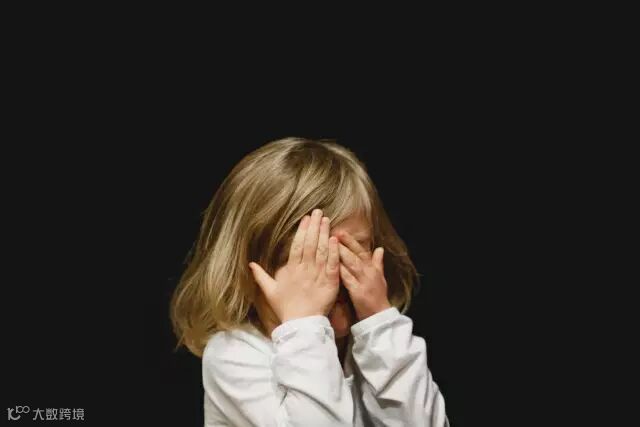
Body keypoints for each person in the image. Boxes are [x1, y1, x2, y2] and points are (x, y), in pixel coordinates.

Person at [170, 137, 449, 426]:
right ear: (250, 271)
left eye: (351, 250)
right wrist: (305, 325)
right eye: (312, 258)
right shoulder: (233, 355)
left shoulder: (371, 345)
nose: (332, 276)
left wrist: (380, 324)